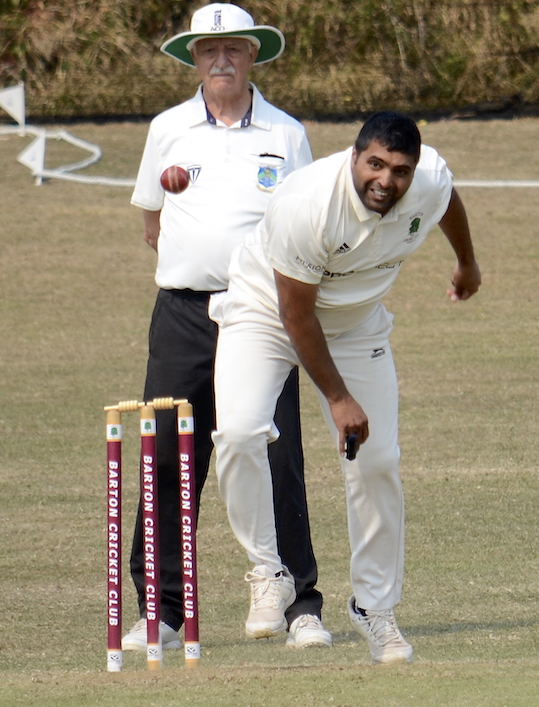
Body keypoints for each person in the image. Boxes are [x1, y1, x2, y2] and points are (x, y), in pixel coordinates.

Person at [210, 111, 481, 664]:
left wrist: (466, 262)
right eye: (375, 164)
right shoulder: (307, 203)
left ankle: (375, 608)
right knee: (238, 432)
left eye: (399, 170)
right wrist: (338, 399)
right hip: (268, 313)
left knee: (377, 460)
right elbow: (296, 314)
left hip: (356, 323)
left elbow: (446, 201)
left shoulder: (426, 181)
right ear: (353, 157)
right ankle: (270, 572)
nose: (385, 180)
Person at [123, 2, 331, 652]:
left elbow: (305, 229)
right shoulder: (167, 129)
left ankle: (300, 604)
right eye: (209, 51)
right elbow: (152, 223)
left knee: (277, 451)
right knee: (165, 455)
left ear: (253, 56)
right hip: (183, 311)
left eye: (234, 50)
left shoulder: (287, 133)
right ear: (193, 59)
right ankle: (161, 611)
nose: (221, 61)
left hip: (263, 313)